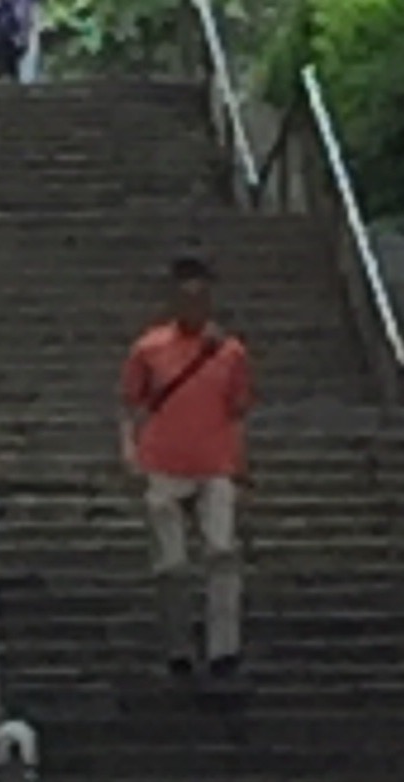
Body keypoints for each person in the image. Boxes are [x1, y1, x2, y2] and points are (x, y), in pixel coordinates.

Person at [119, 258, 254, 689]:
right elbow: (131, 404)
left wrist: (240, 464)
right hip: (163, 463)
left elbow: (238, 410)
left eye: (201, 298)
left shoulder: (230, 353)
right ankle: (178, 647)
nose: (194, 305)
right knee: (171, 565)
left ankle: (224, 648)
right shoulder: (149, 348)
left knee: (222, 552)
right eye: (186, 297)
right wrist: (130, 452)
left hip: (215, 464)